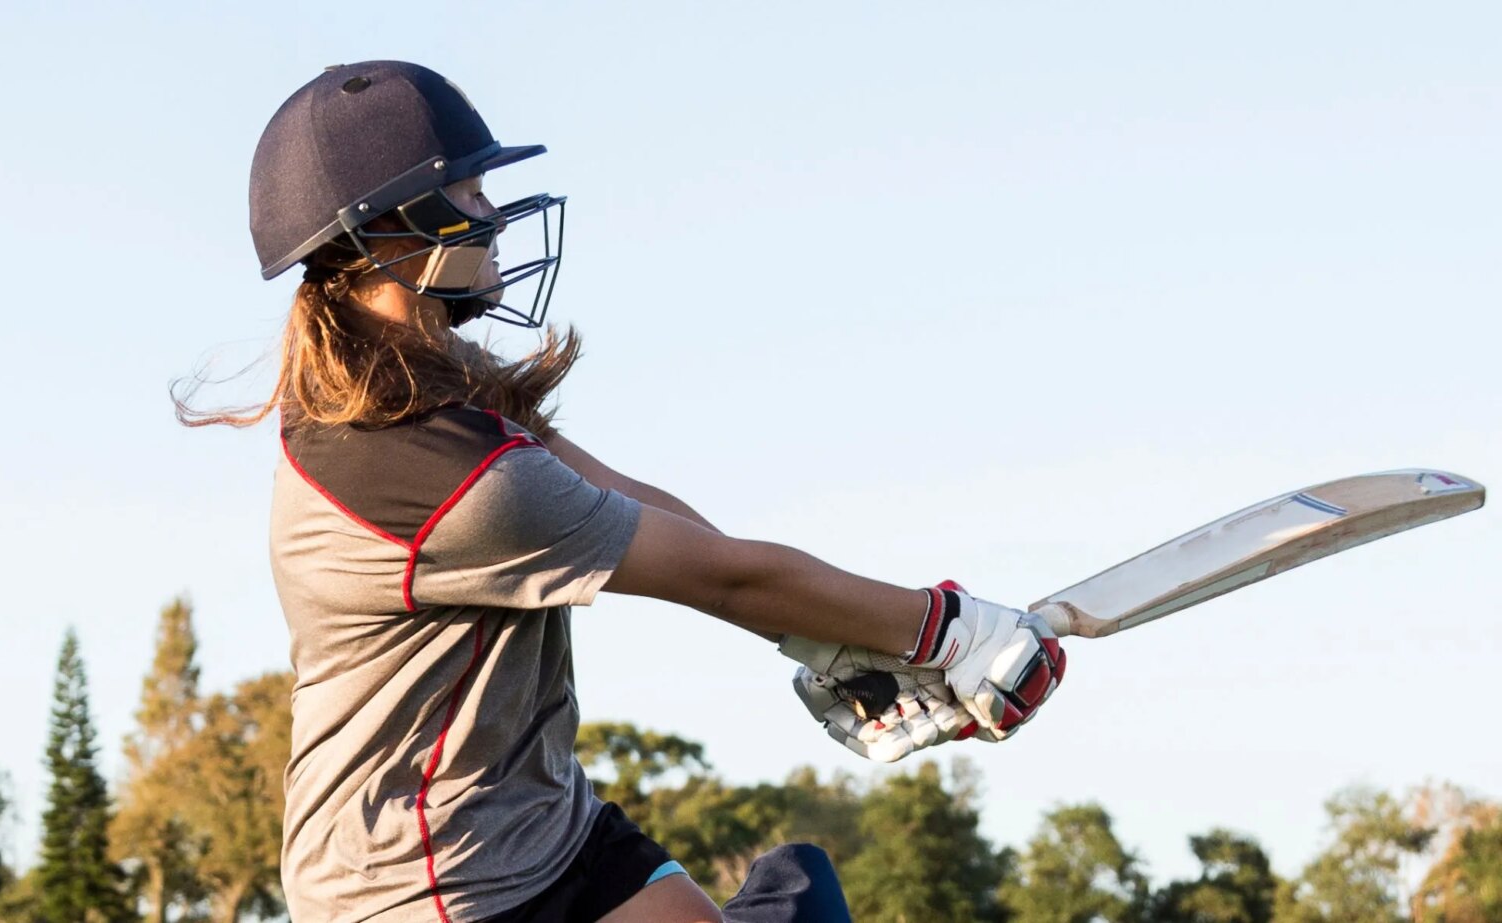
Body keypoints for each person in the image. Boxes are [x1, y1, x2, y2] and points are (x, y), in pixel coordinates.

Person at [182, 60, 1068, 923]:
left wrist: (834, 638)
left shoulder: (442, 388)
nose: (494, 219)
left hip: (541, 824)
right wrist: (945, 632)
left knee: (804, 884)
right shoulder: (446, 478)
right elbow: (718, 578)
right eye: (470, 196)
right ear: (389, 228)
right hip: (423, 887)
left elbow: (662, 523)